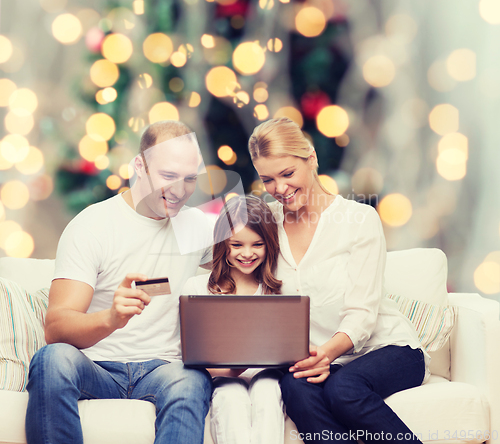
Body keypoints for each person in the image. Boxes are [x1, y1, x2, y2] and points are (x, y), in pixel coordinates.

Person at [26, 121, 214, 444]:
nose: (181, 191)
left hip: (163, 369)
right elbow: (56, 327)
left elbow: (254, 254)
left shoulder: (196, 227)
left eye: (190, 179)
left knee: (192, 379)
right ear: (139, 166)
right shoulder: (93, 226)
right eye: (168, 176)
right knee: (51, 360)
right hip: (96, 366)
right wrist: (111, 318)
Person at [248, 117, 430, 444]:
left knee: (342, 389)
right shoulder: (264, 225)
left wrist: (327, 354)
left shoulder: (359, 220)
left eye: (288, 174)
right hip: (320, 358)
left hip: (387, 349)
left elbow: (362, 312)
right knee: (293, 386)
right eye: (268, 180)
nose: (280, 189)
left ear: (312, 158)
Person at [182, 195, 285, 444]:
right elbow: (191, 357)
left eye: (257, 244)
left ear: (269, 244)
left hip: (269, 374)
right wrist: (231, 369)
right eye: (236, 245)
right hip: (222, 376)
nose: (247, 254)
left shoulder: (280, 289)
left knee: (268, 393)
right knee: (230, 397)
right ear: (222, 244)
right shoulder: (197, 287)